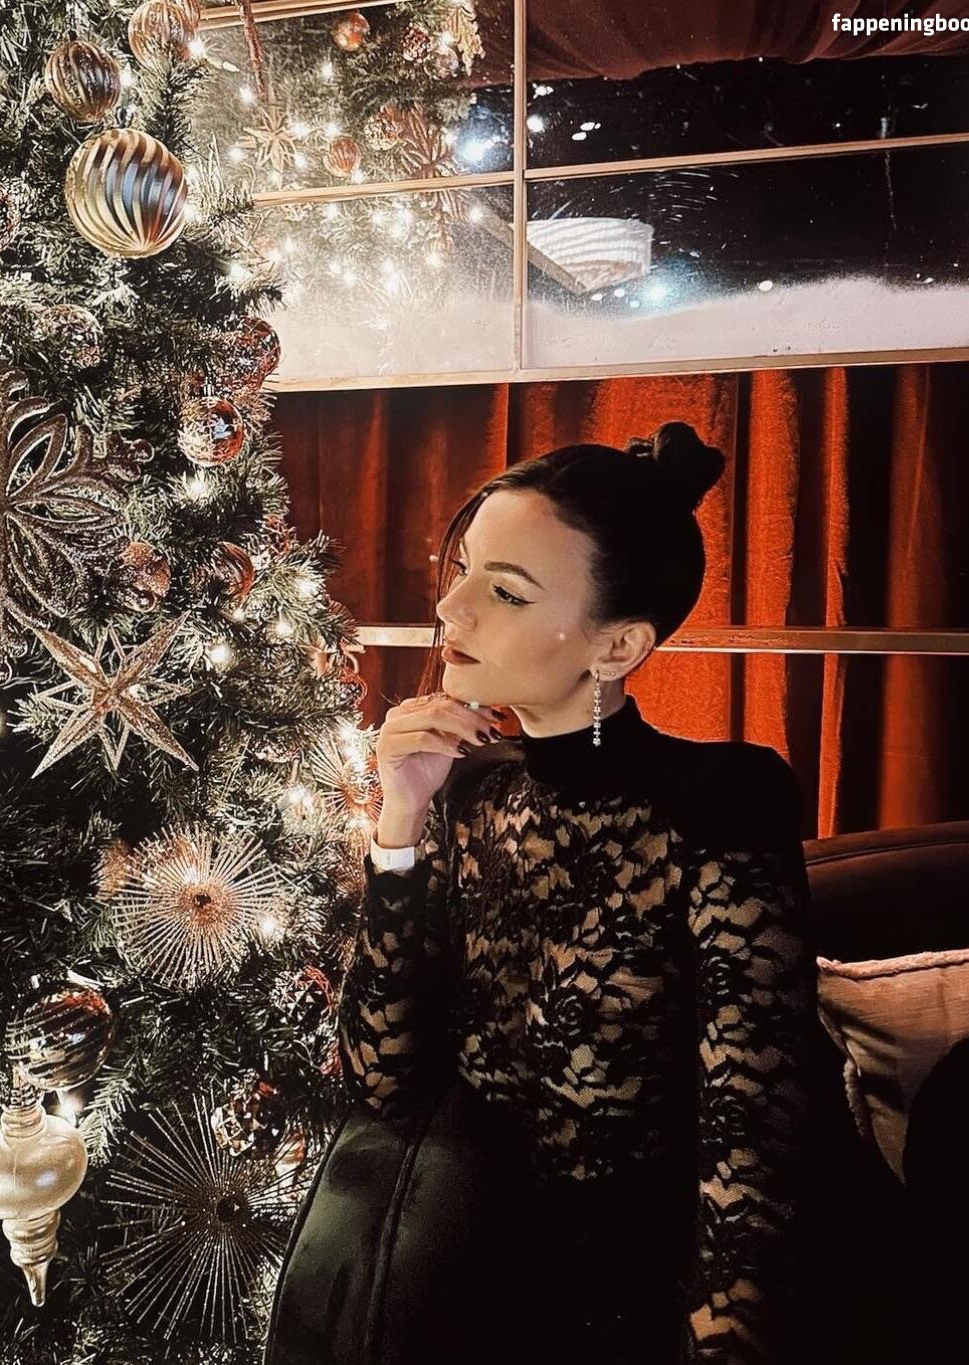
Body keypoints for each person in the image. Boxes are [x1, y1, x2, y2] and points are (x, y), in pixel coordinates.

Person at [336, 423, 819, 1363]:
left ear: (618, 645)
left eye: (506, 590)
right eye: (464, 570)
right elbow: (380, 1080)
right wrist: (398, 822)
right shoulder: (469, 789)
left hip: (651, 1314)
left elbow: (751, 1152)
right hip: (471, 1291)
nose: (450, 606)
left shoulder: (724, 799)